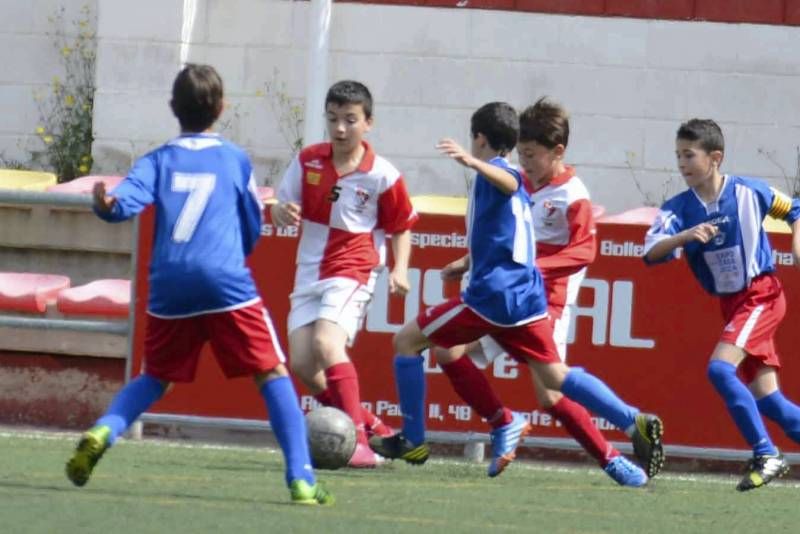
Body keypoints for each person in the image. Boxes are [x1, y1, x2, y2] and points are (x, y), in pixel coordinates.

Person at [65, 64, 333, 505]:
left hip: (170, 284)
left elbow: (123, 203)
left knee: (155, 376)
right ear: (222, 108)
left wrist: (106, 206)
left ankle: (103, 429)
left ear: (173, 109)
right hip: (225, 280)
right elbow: (251, 221)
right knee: (272, 372)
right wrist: (234, 257)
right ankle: (302, 478)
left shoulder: (157, 159)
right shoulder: (234, 158)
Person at [369, 102, 664, 482]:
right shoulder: (522, 182)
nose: (525, 161)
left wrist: (474, 164)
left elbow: (584, 250)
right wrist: (469, 261)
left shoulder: (558, 191)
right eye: (521, 152)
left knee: (411, 342)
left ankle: (609, 459)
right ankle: (629, 420)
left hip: (529, 297)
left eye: (532, 154)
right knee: (469, 355)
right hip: (520, 297)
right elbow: (508, 235)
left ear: (557, 152)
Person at [644, 118, 800, 491]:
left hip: (761, 294)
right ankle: (769, 449)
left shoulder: (749, 191)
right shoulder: (679, 208)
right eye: (678, 155)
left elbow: (794, 208)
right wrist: (683, 236)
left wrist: (796, 243)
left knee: (718, 370)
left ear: (715, 158)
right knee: (771, 403)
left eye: (689, 155)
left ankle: (766, 453)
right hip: (733, 305)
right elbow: (650, 251)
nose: (682, 164)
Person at [270, 80, 417, 468]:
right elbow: (281, 203)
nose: (339, 129)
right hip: (309, 271)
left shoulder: (382, 174)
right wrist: (280, 211)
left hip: (354, 268)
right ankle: (372, 427)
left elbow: (401, 225)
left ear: (368, 122)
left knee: (326, 343)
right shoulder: (308, 160)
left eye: (350, 120)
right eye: (333, 119)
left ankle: (358, 445)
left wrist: (400, 268)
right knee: (302, 363)